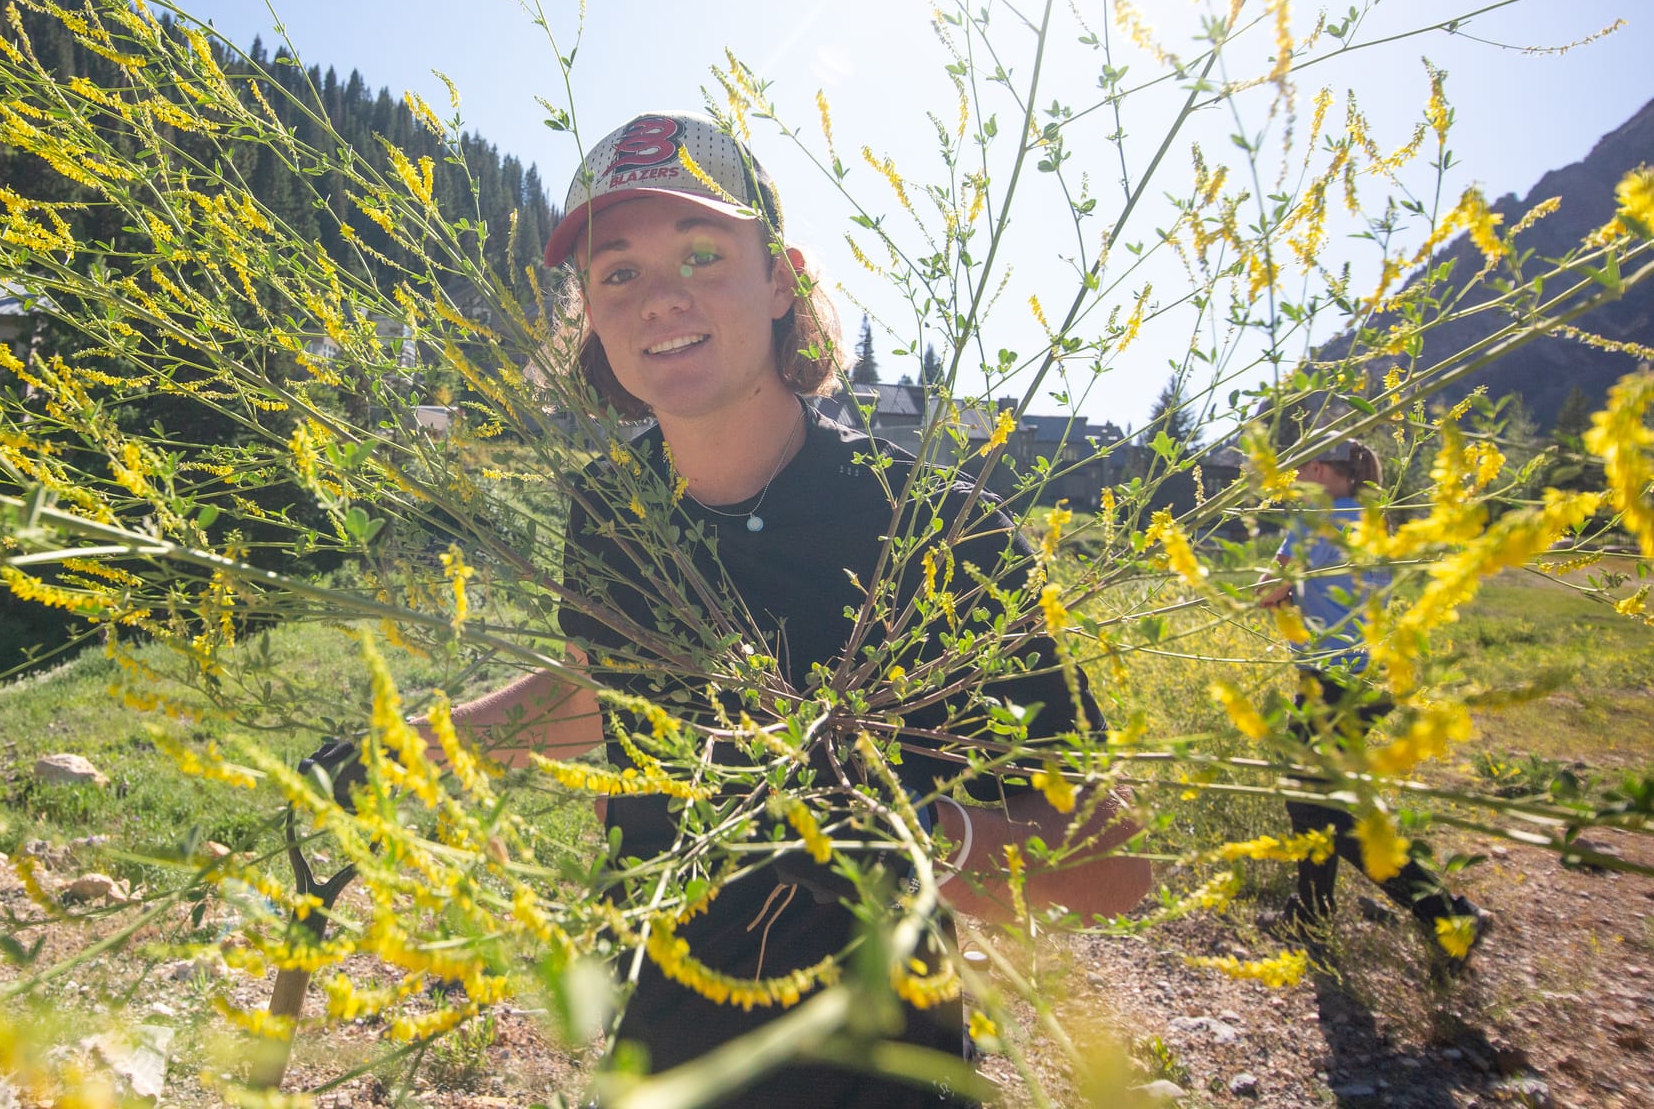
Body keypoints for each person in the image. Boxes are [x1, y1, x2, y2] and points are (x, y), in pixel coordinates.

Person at [419, 111, 1149, 1107]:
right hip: (660, 1051)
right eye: (617, 272)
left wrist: (896, 833)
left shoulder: (934, 532)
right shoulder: (609, 506)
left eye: (703, 251)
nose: (659, 296)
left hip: (876, 1070)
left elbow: (1117, 863)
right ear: (591, 312)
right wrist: (426, 741)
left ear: (781, 279)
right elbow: (610, 686)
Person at [1257, 439, 1491, 962]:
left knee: (1329, 813)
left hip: (1331, 681)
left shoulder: (1312, 522)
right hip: (1369, 677)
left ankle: (1450, 918)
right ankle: (1311, 916)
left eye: (1298, 468)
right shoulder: (1373, 521)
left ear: (1318, 468)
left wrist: (1278, 594)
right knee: (1311, 799)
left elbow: (1267, 590)